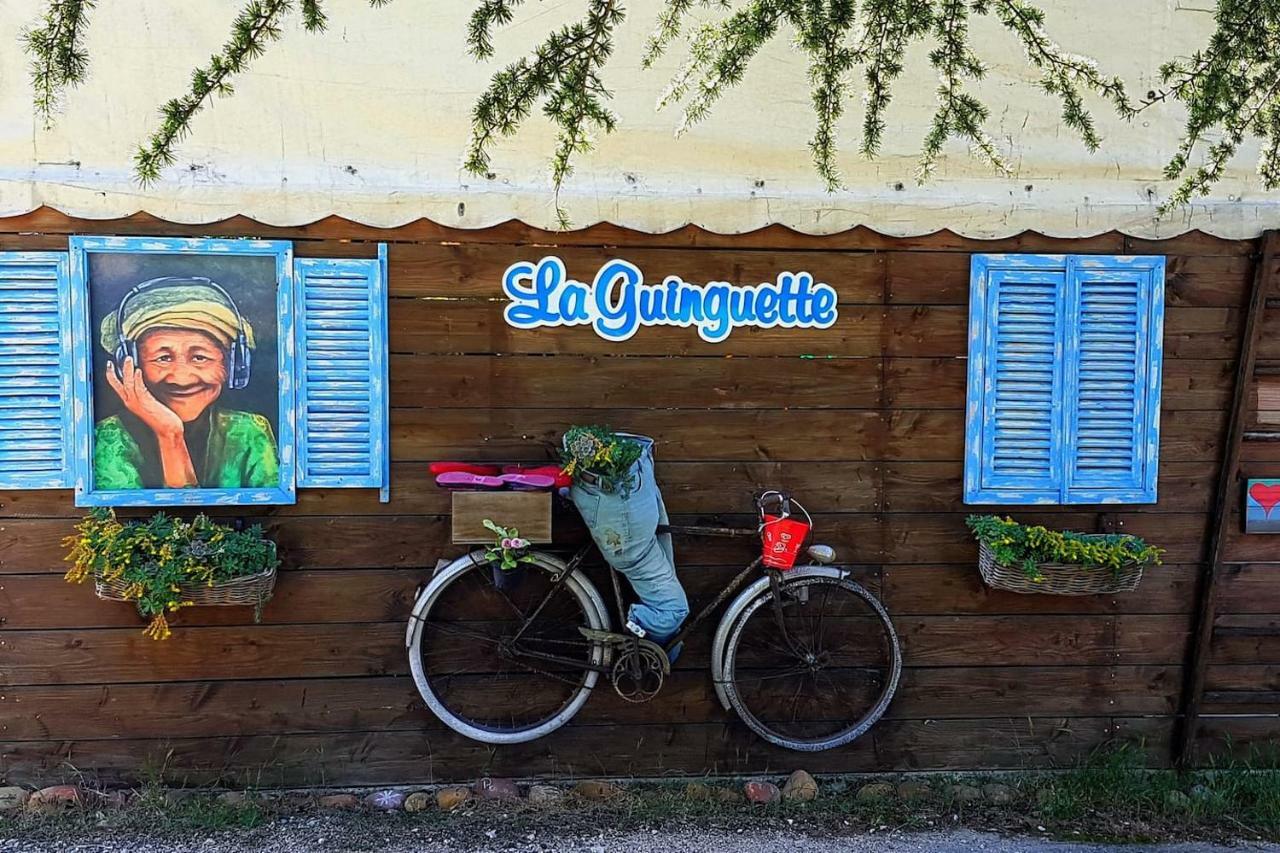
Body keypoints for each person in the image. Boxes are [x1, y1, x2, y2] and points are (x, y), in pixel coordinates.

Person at [94, 277, 279, 490]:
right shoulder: (108, 438)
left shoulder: (249, 431)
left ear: (233, 365)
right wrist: (169, 434)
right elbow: (168, 521)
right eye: (162, 358)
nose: (181, 378)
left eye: (200, 357)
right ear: (129, 366)